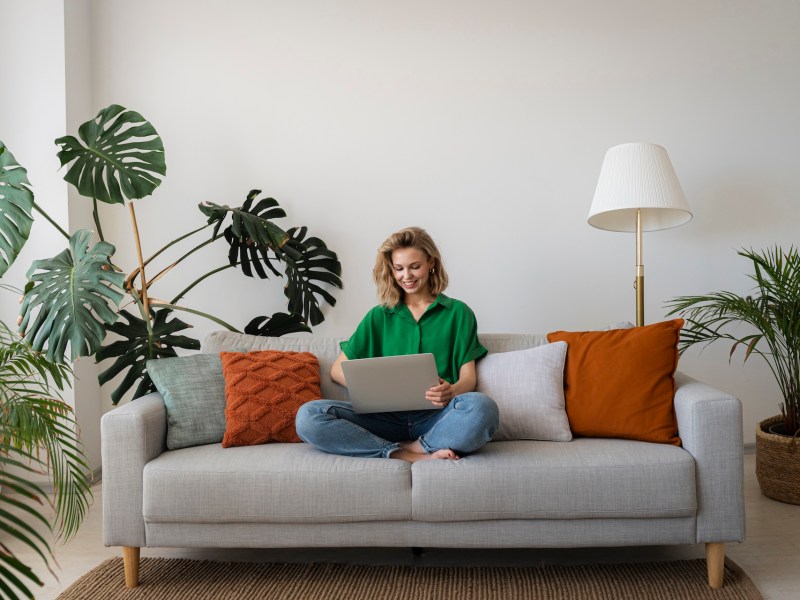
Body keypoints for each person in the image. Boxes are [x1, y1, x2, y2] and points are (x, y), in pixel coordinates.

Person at [295, 226, 499, 463]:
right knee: (308, 415)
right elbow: (337, 370)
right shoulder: (379, 316)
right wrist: (374, 386)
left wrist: (450, 391)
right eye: (399, 268)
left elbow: (468, 378)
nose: (407, 276)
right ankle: (404, 453)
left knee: (483, 408)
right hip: (382, 419)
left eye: (415, 266)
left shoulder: (459, 313)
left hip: (438, 417)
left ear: (431, 262)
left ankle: (418, 446)